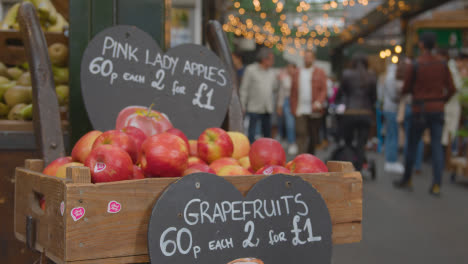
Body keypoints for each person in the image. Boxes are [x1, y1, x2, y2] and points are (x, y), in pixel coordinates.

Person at [393, 32, 456, 196]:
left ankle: (407, 178)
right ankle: (436, 184)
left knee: (412, 144)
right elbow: (452, 88)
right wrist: (441, 101)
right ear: (434, 45)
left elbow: (406, 88)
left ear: (421, 45)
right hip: (437, 109)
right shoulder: (442, 64)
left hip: (419, 109)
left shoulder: (415, 64)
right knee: (436, 146)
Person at [335, 54, 377, 169]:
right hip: (365, 113)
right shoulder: (371, 76)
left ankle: (349, 165)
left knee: (348, 141)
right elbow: (374, 98)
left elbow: (339, 94)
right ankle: (359, 169)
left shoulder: (347, 74)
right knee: (361, 143)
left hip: (350, 113)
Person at [290, 50, 328, 154]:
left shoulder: (320, 72)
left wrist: (319, 102)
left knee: (313, 136)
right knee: (301, 133)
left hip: (314, 109)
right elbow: (293, 91)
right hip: (300, 109)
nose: (307, 59)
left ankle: (310, 158)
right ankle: (301, 158)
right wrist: (293, 108)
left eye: (309, 57)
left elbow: (324, 89)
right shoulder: (297, 72)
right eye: (305, 57)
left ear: (313, 58)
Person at [239, 47, 276, 143]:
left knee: (267, 135)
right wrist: (242, 105)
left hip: (267, 108)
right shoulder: (250, 70)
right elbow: (244, 89)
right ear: (264, 59)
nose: (273, 62)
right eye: (271, 59)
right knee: (252, 133)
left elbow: (274, 88)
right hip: (253, 107)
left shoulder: (272, 72)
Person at [382, 61, 404, 173]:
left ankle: (390, 159)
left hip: (387, 107)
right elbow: (394, 95)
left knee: (390, 134)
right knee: (393, 135)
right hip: (392, 108)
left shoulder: (388, 76)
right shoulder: (392, 78)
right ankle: (391, 160)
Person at [276, 62, 298, 155]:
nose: (289, 70)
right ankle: (289, 141)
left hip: (296, 101)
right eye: (288, 68)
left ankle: (292, 141)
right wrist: (279, 105)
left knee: (292, 123)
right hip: (286, 101)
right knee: (287, 122)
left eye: (291, 68)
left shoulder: (298, 78)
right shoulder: (284, 79)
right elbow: (281, 93)